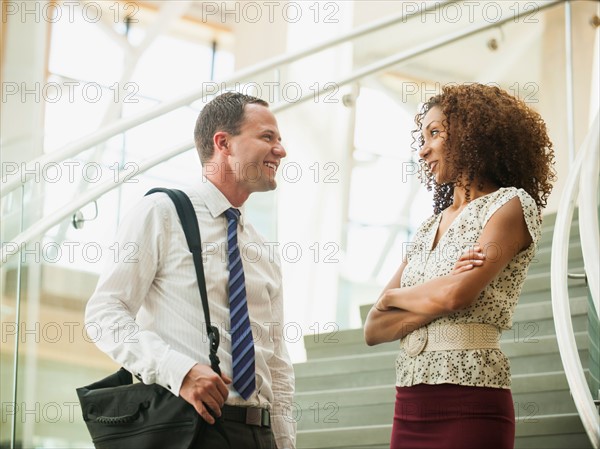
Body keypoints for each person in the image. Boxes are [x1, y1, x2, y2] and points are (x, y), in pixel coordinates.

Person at [85, 92, 296, 449]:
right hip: (191, 427)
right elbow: (103, 314)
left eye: (279, 139)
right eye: (267, 137)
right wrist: (177, 371)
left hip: (258, 434)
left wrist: (285, 442)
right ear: (223, 143)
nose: (281, 150)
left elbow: (276, 365)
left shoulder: (263, 249)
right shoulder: (162, 213)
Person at [363, 83, 555, 449]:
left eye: (435, 133)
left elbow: (457, 296)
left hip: (472, 400)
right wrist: (437, 289)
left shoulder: (510, 205)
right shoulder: (426, 228)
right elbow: (373, 329)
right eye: (422, 137)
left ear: (473, 135)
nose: (423, 149)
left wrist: (393, 300)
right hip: (409, 402)